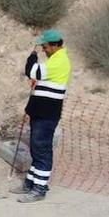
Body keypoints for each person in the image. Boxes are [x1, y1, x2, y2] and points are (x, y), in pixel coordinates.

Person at [13, 29, 71, 203]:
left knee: (42, 150)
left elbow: (31, 71)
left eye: (45, 47)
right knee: (36, 148)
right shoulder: (54, 60)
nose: (43, 50)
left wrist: (32, 56)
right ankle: (30, 183)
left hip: (47, 114)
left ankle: (39, 189)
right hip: (40, 112)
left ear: (54, 45)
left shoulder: (60, 61)